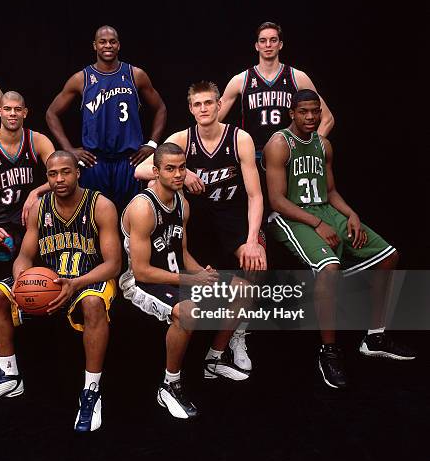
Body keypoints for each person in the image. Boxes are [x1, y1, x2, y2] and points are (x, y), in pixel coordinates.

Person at [263, 89, 415, 389]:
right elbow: (277, 201)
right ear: (291, 113)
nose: (310, 117)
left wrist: (351, 214)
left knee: (389, 256)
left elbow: (330, 192)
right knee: (329, 268)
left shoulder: (324, 145)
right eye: (303, 111)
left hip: (325, 210)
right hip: (291, 217)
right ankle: (329, 351)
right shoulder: (280, 145)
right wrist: (317, 223)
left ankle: (375, 336)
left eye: (315, 111)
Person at [0, 151, 121, 433]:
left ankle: (91, 390)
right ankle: (9, 375)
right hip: (50, 284)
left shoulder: (101, 206)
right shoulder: (40, 208)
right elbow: (25, 256)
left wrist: (76, 283)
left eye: (65, 172)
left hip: (88, 280)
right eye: (52, 174)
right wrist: (20, 279)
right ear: (46, 177)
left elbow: (113, 265)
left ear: (78, 173)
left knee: (93, 305)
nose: (59, 179)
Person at [134, 81, 265, 379]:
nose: (204, 109)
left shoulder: (239, 138)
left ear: (219, 105)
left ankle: (226, 345)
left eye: (209, 103)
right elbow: (141, 170)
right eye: (198, 104)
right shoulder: (183, 138)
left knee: (256, 265)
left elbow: (256, 195)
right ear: (191, 109)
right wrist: (188, 171)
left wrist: (252, 240)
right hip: (196, 220)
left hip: (231, 217)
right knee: (206, 276)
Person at [121, 143, 250, 419]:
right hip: (142, 283)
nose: (178, 174)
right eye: (170, 169)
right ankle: (170, 385)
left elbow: (181, 252)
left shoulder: (182, 203)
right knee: (188, 312)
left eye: (182, 167)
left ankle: (214, 360)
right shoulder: (143, 208)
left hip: (174, 274)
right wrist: (190, 279)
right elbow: (141, 271)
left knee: (243, 288)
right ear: (155, 172)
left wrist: (202, 273)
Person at [0, 91, 55, 376]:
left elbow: (61, 173)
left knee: (47, 216)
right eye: (8, 109)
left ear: (26, 112)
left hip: (27, 217)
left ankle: (36, 312)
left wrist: (37, 191)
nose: (13, 114)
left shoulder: (37, 140)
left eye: (18, 109)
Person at [45, 25, 167, 212]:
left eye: (112, 41)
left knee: (131, 217)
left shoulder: (135, 75)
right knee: (95, 218)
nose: (107, 45)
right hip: (95, 162)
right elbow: (51, 113)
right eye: (102, 42)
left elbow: (160, 108)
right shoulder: (82, 78)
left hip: (129, 161)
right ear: (95, 45)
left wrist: (151, 144)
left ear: (119, 45)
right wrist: (68, 149)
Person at [218, 22, 335, 155]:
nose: (268, 45)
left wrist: (312, 148)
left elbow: (327, 118)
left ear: (280, 44)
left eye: (273, 40)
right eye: (263, 41)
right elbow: (213, 119)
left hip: (289, 154)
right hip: (253, 156)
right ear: (257, 46)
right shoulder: (241, 80)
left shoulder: (297, 77)